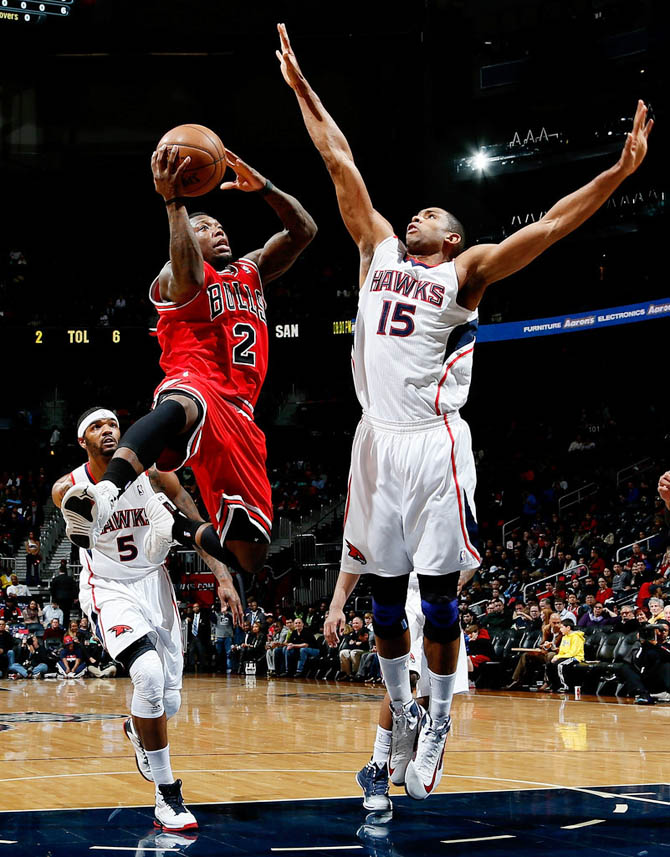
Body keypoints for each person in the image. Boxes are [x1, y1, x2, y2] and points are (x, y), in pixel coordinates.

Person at [277, 24, 652, 801]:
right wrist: (303, 89)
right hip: (378, 441)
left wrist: (616, 172)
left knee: (439, 601)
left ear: (452, 238)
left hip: (436, 442)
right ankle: (405, 714)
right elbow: (338, 160)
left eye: (429, 216)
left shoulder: (467, 274)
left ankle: (439, 722)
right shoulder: (377, 249)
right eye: (411, 213)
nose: (412, 217)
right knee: (386, 605)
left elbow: (547, 226)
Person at [60, 147, 317, 594]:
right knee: (183, 403)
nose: (216, 230)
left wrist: (267, 189)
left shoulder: (250, 270)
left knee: (249, 555)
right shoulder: (174, 274)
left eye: (218, 226)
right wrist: (174, 203)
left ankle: (174, 524)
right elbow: (189, 271)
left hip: (240, 413)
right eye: (204, 228)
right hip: (193, 381)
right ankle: (103, 497)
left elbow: (304, 230)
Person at [52, 406, 243, 832]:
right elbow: (77, 524)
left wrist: (223, 577)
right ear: (82, 440)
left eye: (113, 425)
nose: (108, 431)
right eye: (97, 427)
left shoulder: (154, 473)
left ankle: (138, 730)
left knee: (168, 701)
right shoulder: (69, 487)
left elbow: (190, 520)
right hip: (110, 588)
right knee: (149, 678)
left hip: (155, 583)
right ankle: (166, 795)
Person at [326, 569, 470, 811]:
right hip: (405, 593)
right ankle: (378, 767)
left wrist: (463, 576)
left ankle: (424, 742)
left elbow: (472, 547)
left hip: (439, 592)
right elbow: (354, 554)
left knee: (429, 692)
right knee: (404, 681)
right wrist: (336, 606)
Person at [544, 617, 585, 692]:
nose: (560, 629)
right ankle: (554, 685)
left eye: (562, 627)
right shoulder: (564, 637)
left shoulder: (576, 637)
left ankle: (564, 686)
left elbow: (573, 652)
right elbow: (562, 651)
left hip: (576, 657)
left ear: (568, 628)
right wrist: (557, 656)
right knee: (550, 664)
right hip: (566, 656)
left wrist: (559, 657)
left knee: (560, 665)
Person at [50, 561, 77, 627]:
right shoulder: (70, 579)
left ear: (59, 571)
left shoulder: (56, 579)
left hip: (58, 598)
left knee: (59, 612)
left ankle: (60, 625)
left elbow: (52, 590)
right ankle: (66, 625)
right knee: (67, 613)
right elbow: (75, 588)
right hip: (68, 598)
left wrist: (53, 600)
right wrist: (75, 597)